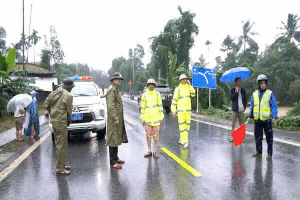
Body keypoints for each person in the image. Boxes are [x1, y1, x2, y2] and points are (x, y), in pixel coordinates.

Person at [44, 78, 74, 175]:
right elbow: (69, 112)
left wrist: (51, 112)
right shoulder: (68, 96)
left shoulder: (57, 92)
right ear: (70, 88)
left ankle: (61, 164)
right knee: (62, 145)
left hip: (54, 121)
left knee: (59, 145)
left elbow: (46, 104)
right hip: (61, 122)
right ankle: (60, 169)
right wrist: (68, 121)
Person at [248, 74, 278, 160]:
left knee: (269, 138)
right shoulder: (254, 94)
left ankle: (269, 154)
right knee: (257, 137)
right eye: (261, 83)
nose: (263, 85)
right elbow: (252, 106)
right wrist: (250, 116)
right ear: (258, 84)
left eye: (264, 83)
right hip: (257, 120)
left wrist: (274, 117)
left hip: (267, 120)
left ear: (266, 84)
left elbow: (274, 106)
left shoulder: (270, 93)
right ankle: (259, 152)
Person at [106, 72, 128, 169]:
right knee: (112, 139)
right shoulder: (112, 90)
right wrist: (115, 118)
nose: (119, 81)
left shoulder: (116, 89)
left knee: (116, 138)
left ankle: (116, 157)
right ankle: (113, 161)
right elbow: (111, 106)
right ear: (113, 80)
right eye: (117, 79)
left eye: (120, 79)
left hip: (117, 118)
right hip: (113, 119)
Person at [140, 79, 164, 159]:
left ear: (154, 85)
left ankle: (156, 151)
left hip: (156, 119)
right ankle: (149, 150)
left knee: (156, 137)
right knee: (148, 136)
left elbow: (160, 106)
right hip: (147, 120)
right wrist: (142, 118)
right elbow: (142, 108)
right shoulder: (144, 95)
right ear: (147, 85)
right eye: (149, 84)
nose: (151, 85)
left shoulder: (157, 94)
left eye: (152, 84)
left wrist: (161, 117)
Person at [171, 74, 196, 148]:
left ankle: (182, 139)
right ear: (180, 80)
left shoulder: (189, 87)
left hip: (188, 110)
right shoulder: (177, 89)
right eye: (182, 79)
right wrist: (174, 110)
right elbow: (174, 100)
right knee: (182, 126)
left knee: (187, 126)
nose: (184, 80)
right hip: (181, 111)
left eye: (185, 79)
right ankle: (185, 141)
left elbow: (194, 94)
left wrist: (190, 85)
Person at [230, 77, 247, 142]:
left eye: (240, 81)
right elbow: (232, 98)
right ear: (236, 83)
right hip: (235, 110)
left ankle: (241, 138)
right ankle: (232, 137)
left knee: (241, 125)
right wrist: (236, 91)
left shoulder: (243, 91)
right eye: (238, 81)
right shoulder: (232, 90)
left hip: (241, 110)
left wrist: (244, 108)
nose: (240, 82)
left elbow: (245, 100)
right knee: (233, 124)